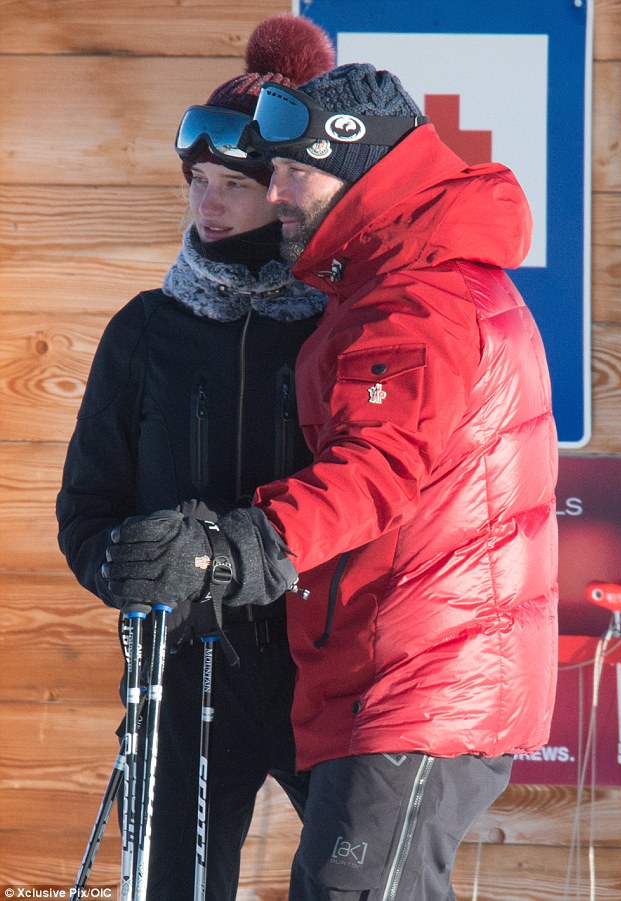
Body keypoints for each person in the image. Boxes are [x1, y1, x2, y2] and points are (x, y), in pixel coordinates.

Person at [99, 60, 559, 901]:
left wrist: (228, 550)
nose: (273, 194)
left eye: (290, 172)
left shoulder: (413, 301)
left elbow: (374, 470)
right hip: (389, 667)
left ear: (355, 167)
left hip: (422, 668)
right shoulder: (390, 282)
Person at [56, 15, 336, 901]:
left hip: (321, 669)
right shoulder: (145, 330)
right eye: (197, 181)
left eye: (233, 184)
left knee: (357, 876)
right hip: (182, 670)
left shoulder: (341, 327)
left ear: (286, 192)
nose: (205, 202)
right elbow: (86, 509)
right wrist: (124, 566)